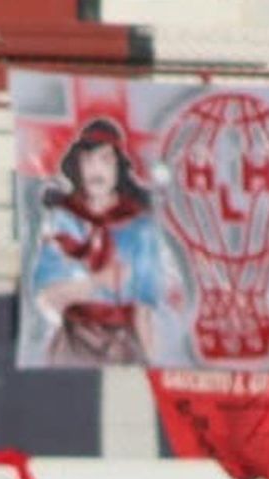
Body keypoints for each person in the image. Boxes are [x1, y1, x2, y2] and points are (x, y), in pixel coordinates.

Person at [32, 118, 160, 365]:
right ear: (77, 167)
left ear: (118, 169)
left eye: (105, 160)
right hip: (72, 343)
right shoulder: (62, 220)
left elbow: (145, 309)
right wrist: (98, 283)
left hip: (124, 344)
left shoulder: (140, 226)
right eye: (88, 160)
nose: (95, 170)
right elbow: (47, 297)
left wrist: (154, 364)